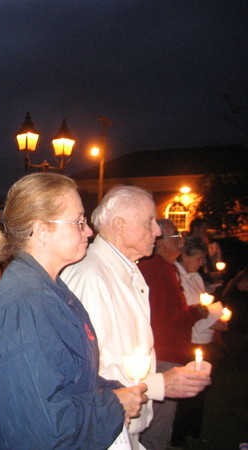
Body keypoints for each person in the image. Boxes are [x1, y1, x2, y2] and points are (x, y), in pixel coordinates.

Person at [0, 173, 147, 449]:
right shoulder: (25, 307)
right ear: (41, 230)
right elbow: (43, 429)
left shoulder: (48, 288)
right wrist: (113, 404)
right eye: (78, 222)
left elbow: (68, 375)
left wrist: (111, 390)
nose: (88, 231)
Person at [62, 185, 212, 450]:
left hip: (122, 425)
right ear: (119, 225)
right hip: (104, 429)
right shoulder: (92, 278)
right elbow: (84, 371)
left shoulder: (127, 272)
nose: (157, 230)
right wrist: (161, 383)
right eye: (149, 222)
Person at [137, 219, 208, 449]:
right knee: (158, 422)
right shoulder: (156, 270)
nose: (181, 241)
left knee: (162, 419)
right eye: (175, 237)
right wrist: (196, 313)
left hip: (170, 352)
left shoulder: (167, 268)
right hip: (163, 353)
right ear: (159, 243)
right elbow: (165, 318)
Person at [171, 236, 225, 446]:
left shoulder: (196, 277)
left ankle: (193, 430)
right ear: (184, 255)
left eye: (204, 259)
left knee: (200, 388)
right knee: (187, 388)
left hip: (204, 337)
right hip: (190, 339)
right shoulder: (176, 275)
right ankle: (178, 434)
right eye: (199, 258)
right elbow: (187, 313)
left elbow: (201, 305)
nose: (202, 264)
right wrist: (211, 320)